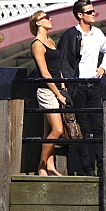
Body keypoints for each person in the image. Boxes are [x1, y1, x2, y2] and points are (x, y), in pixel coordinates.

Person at [58, 0, 106, 176]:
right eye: (89, 12)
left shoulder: (97, 33)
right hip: (78, 87)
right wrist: (65, 85)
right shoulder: (71, 35)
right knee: (81, 128)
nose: (93, 14)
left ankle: (102, 167)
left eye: (93, 10)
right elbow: (64, 61)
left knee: (98, 127)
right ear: (80, 15)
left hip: (94, 86)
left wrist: (103, 67)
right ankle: (87, 168)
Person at [29, 9, 68, 176]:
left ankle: (50, 167)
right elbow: (45, 73)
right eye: (45, 17)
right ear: (38, 22)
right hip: (47, 91)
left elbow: (56, 68)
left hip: (57, 89)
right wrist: (57, 93)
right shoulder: (37, 43)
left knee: (48, 132)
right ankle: (42, 165)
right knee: (58, 130)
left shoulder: (50, 41)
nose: (50, 19)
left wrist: (63, 87)